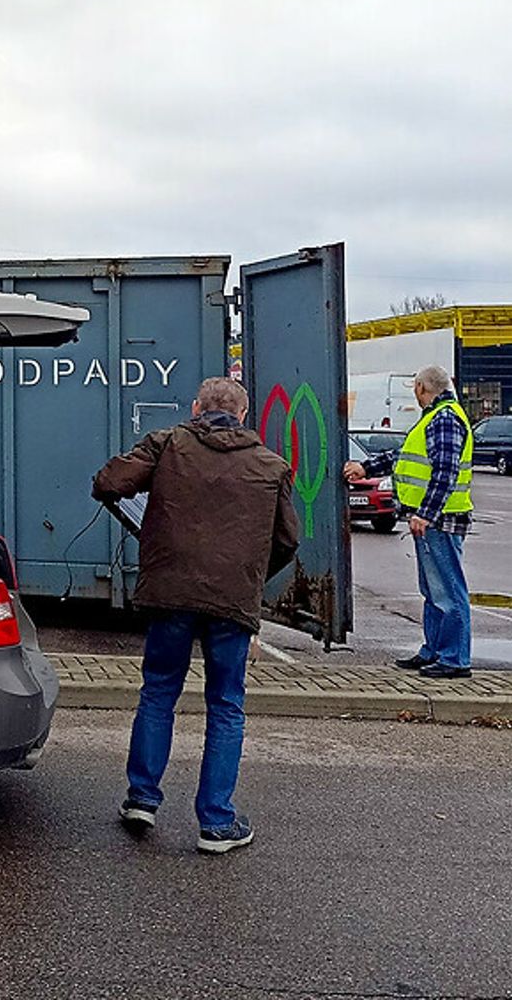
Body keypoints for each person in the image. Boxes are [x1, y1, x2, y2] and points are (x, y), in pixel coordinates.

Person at [91, 377, 299, 855]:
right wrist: (247, 574)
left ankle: (142, 798)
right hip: (231, 603)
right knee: (226, 705)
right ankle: (216, 823)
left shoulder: (167, 444)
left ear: (196, 407)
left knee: (159, 691)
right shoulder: (271, 466)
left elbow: (109, 483)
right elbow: (287, 541)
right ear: (244, 415)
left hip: (170, 595)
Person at [344, 365, 473, 678]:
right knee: (433, 590)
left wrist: (425, 513)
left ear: (420, 387)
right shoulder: (435, 416)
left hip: (440, 520)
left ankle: (454, 658)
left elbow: (445, 471)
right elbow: (403, 457)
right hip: (433, 520)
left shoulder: (444, 418)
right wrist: (366, 467)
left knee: (447, 591)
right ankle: (434, 651)